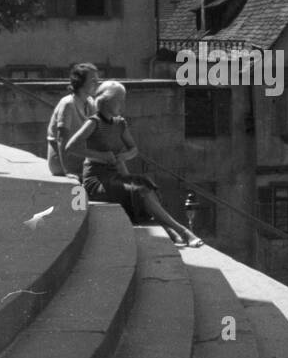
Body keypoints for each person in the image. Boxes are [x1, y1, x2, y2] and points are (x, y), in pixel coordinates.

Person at [66, 81, 204, 247]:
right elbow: (71, 147)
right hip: (97, 181)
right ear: (107, 101)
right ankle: (182, 231)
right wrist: (99, 155)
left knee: (145, 184)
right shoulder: (93, 123)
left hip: (115, 176)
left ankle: (170, 231)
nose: (122, 104)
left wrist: (124, 156)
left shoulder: (120, 124)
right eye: (119, 100)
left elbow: (134, 149)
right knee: (139, 191)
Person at [47, 63, 99, 178]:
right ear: (80, 81)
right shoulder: (68, 104)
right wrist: (67, 170)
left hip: (79, 158)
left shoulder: (90, 102)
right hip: (61, 162)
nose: (97, 83)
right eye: (93, 80)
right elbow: (62, 139)